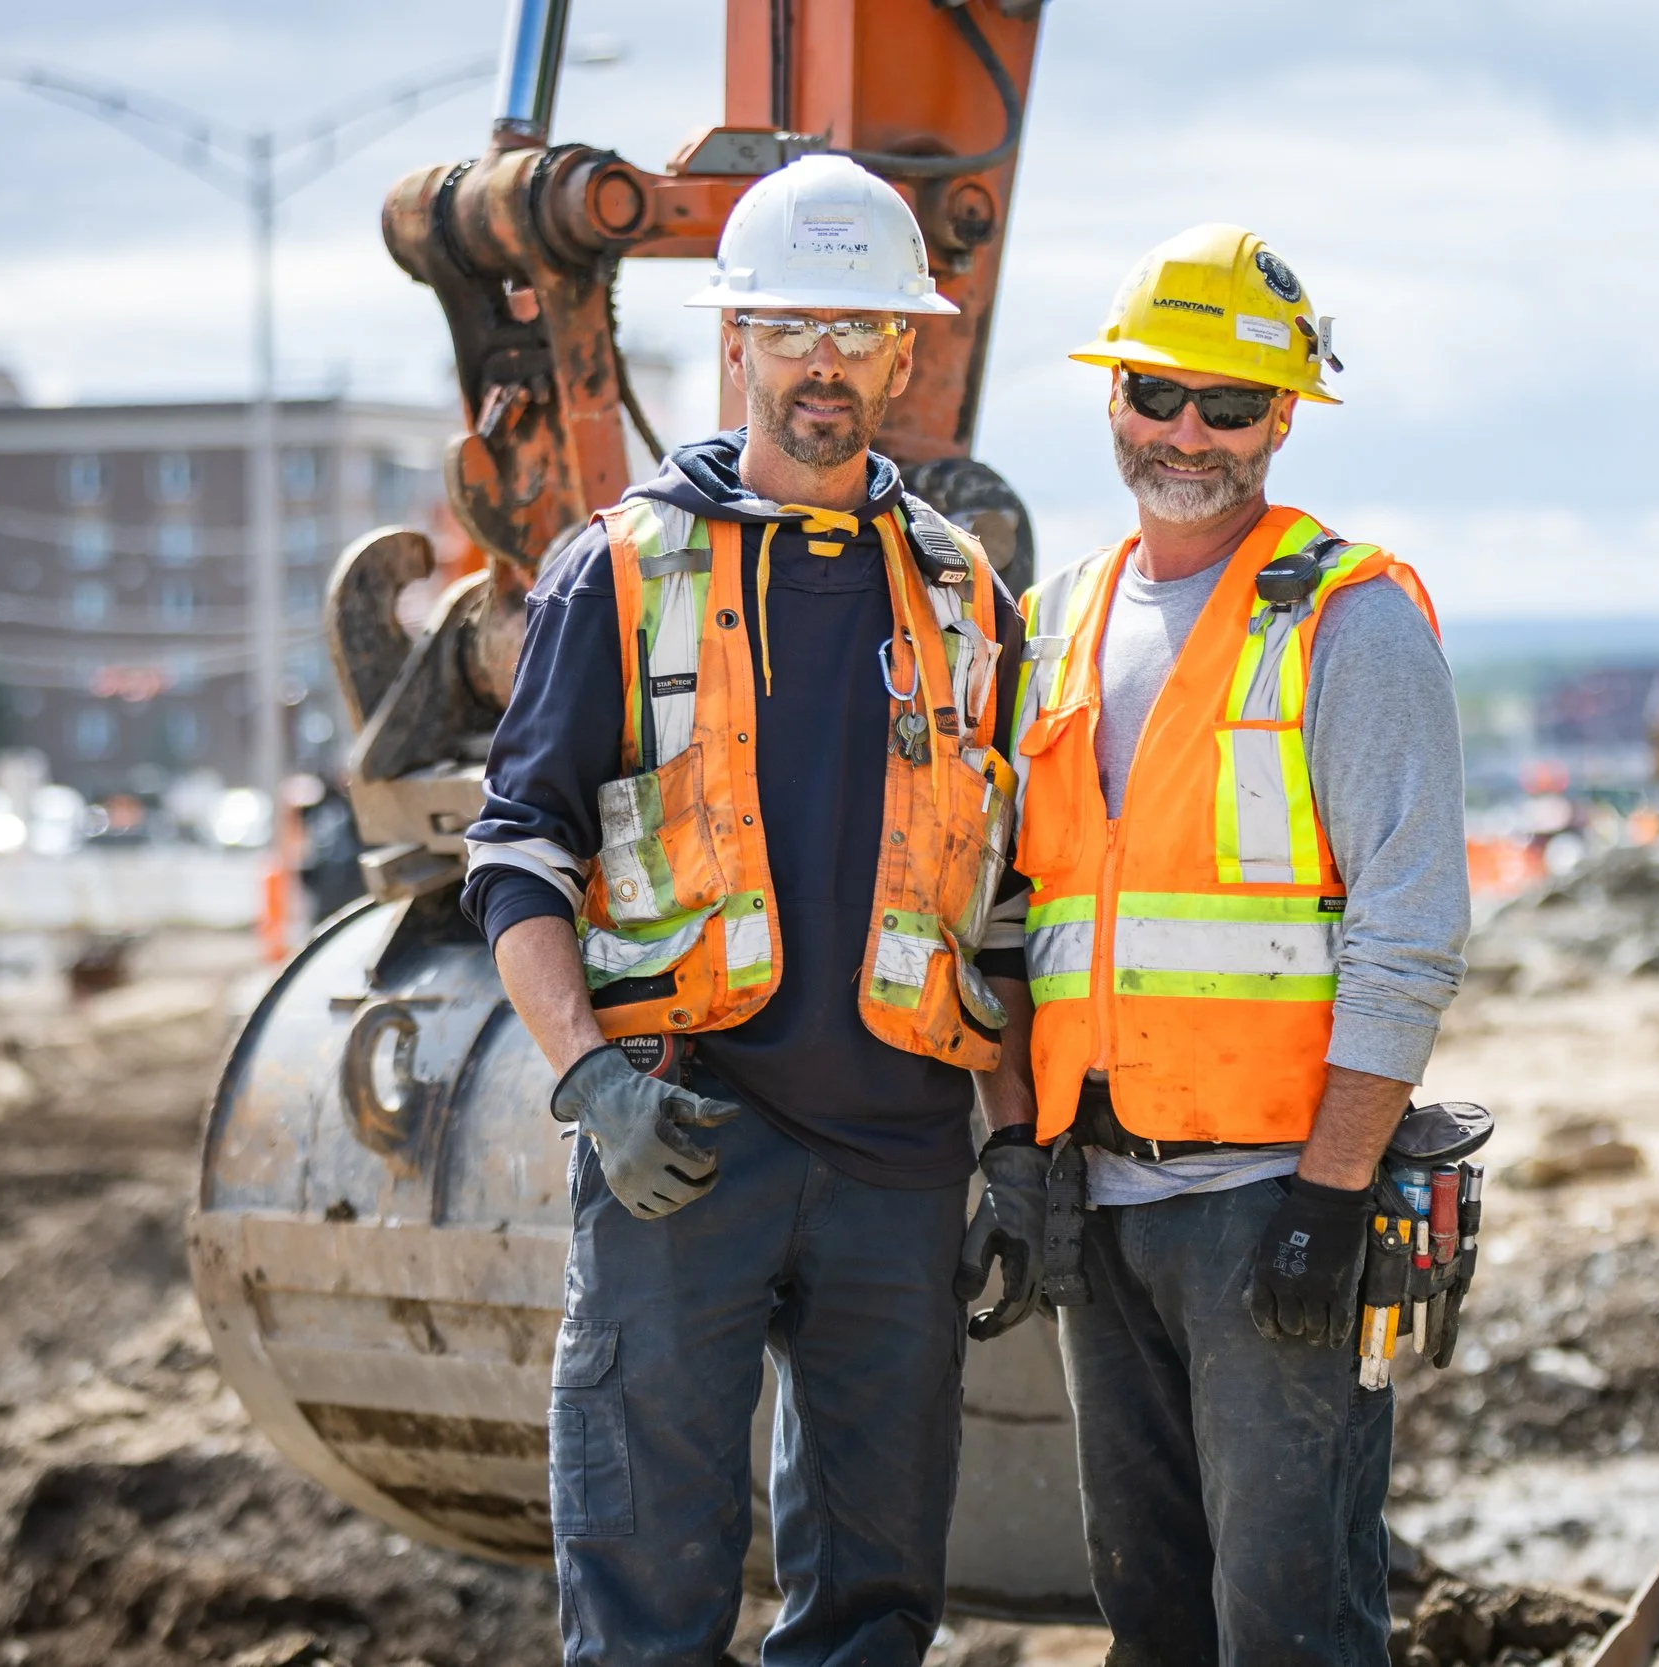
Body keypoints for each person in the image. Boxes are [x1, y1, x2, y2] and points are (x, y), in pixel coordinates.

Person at [459, 154, 1047, 1666]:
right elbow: (515, 851)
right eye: (793, 328)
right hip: (684, 1143)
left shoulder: (968, 598)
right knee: (647, 1599)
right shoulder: (624, 571)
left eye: (858, 331)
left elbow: (1000, 900)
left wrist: (1021, 1147)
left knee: (871, 1608)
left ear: (907, 350)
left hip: (897, 1164)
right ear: (736, 341)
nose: (826, 364)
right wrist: (591, 1080)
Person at [1010, 224, 1471, 1664]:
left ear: (1283, 417)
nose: (1186, 432)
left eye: (1226, 403)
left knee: (1289, 1625)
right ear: (1112, 402)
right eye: (1158, 394)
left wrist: (1329, 1198)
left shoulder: (1350, 618)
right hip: (1106, 1199)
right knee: (1148, 1612)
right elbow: (1028, 914)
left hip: (1274, 1195)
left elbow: (1412, 934)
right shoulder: (1062, 618)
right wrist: (1022, 1157)